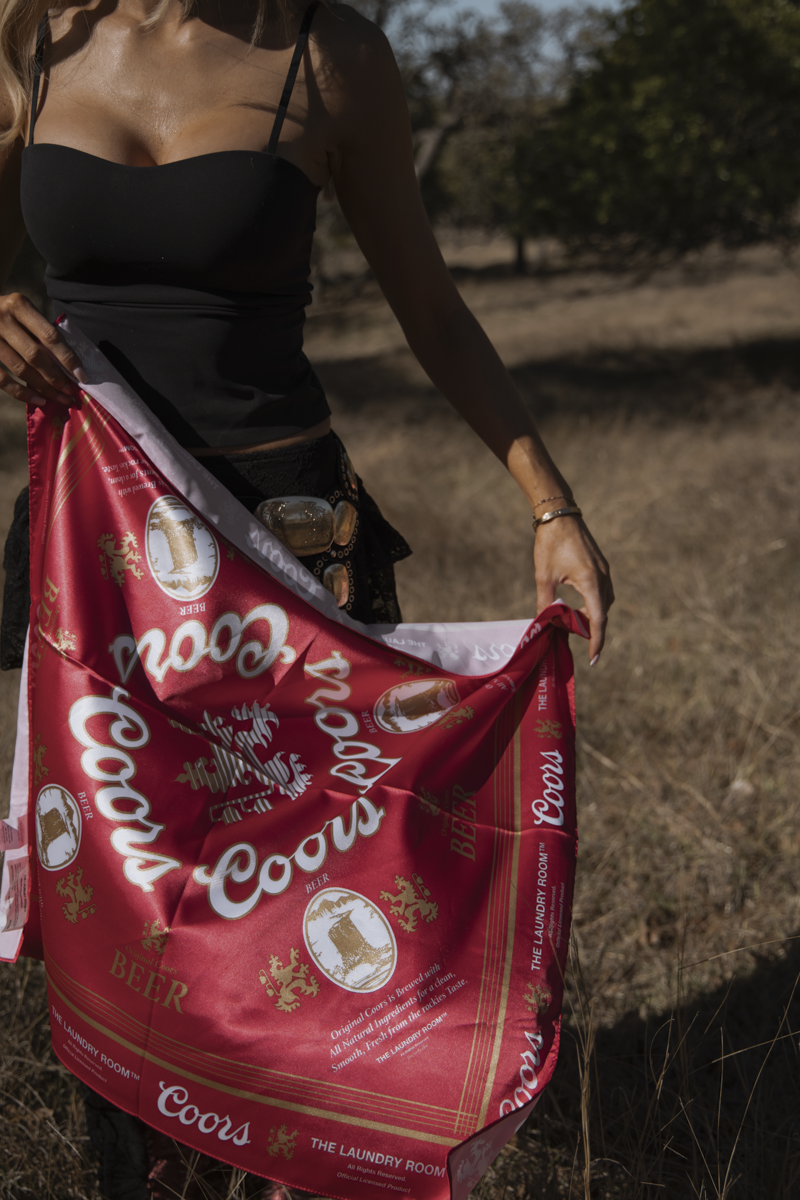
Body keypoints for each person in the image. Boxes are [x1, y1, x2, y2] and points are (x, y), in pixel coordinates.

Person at [0, 1, 614, 1195]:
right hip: (94, 545)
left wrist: (549, 502)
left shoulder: (326, 54)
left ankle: (330, 1156)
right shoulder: (31, 36)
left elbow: (428, 305)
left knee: (305, 898)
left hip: (283, 549)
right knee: (113, 898)